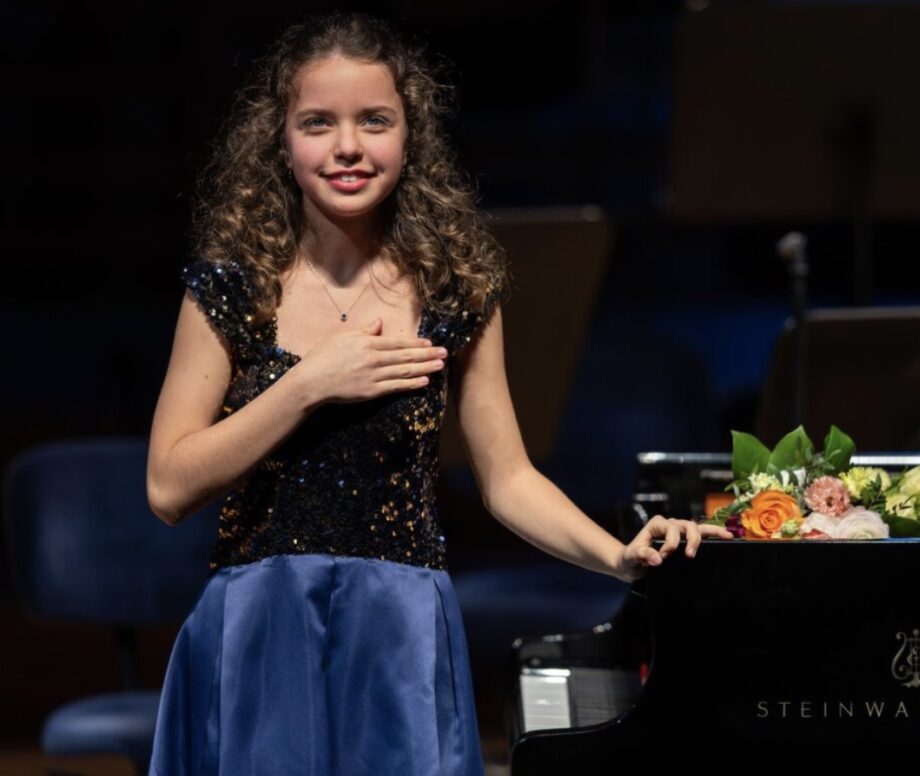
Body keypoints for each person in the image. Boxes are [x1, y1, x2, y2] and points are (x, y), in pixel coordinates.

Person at [145, 11, 732, 776]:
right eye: (318, 123)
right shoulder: (231, 290)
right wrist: (308, 386)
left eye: (374, 120)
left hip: (397, 632)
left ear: (408, 135)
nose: (347, 146)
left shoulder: (456, 291)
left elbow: (508, 478)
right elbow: (169, 486)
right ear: (281, 141)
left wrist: (617, 556)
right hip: (262, 629)